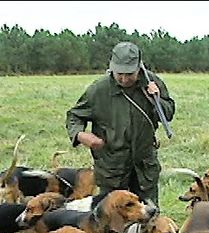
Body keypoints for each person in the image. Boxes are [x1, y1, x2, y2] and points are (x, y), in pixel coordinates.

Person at [66, 41, 175, 205]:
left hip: (144, 168)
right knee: (111, 219)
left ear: (139, 68)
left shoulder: (152, 83)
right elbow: (74, 116)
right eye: (119, 74)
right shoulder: (99, 90)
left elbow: (168, 114)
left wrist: (156, 99)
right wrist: (81, 135)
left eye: (129, 74)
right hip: (112, 169)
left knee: (149, 218)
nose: (124, 79)